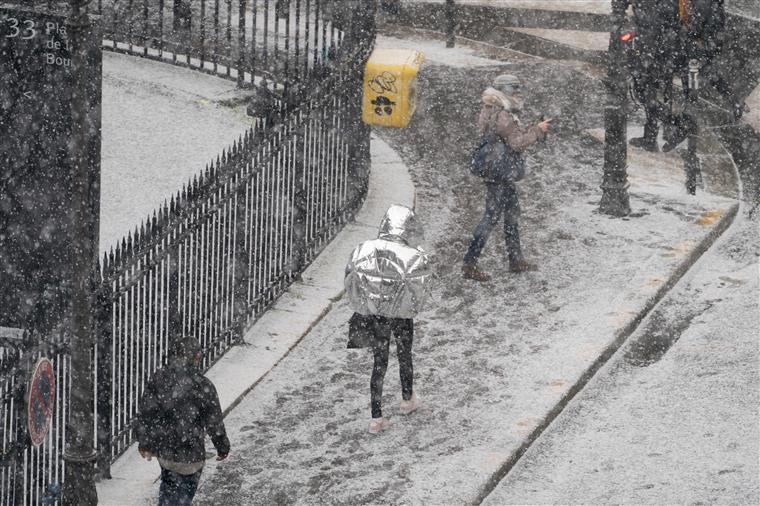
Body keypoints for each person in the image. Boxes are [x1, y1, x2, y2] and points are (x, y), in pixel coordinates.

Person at [344, 204, 432, 434]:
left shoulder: (365, 249)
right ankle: (407, 398)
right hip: (401, 316)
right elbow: (421, 290)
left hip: (376, 315)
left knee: (379, 364)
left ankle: (376, 417)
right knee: (405, 354)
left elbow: (352, 280)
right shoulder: (412, 255)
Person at [462, 75, 552, 282]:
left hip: (500, 171)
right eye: (515, 89)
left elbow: (511, 135)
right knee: (491, 217)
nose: (519, 93)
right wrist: (538, 131)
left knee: (512, 214)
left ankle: (516, 259)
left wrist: (532, 128)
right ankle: (469, 262)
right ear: (506, 90)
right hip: (500, 172)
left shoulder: (495, 109)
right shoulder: (502, 114)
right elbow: (517, 143)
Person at [135, 336, 230, 505]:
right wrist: (222, 447)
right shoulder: (203, 385)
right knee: (184, 495)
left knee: (169, 486)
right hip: (191, 455)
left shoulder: (159, 379)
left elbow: (146, 413)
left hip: (166, 451)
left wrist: (145, 442)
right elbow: (213, 421)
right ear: (197, 357)